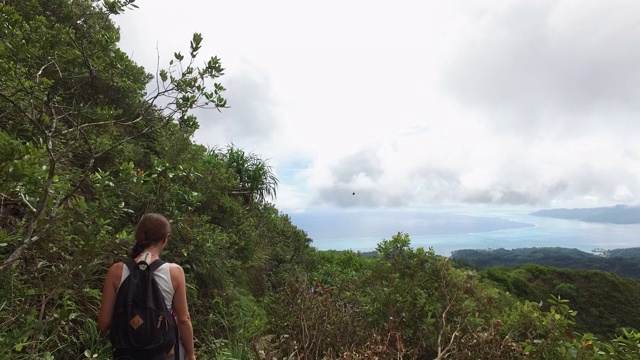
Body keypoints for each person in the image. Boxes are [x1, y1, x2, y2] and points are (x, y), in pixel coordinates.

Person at [98, 213, 196, 360]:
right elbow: (184, 320)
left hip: (126, 354)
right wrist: (191, 355)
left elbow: (103, 324)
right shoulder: (174, 272)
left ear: (137, 236)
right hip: (164, 354)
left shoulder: (116, 271)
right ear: (165, 238)